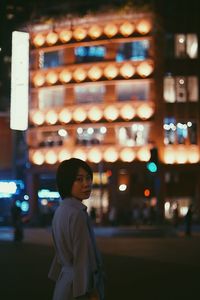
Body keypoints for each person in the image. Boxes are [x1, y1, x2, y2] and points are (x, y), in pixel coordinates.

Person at [48, 158, 105, 300]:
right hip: (78, 288)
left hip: (64, 283)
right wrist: (91, 292)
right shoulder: (77, 214)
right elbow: (82, 258)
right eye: (79, 179)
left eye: (88, 178)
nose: (87, 184)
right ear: (67, 182)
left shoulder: (61, 211)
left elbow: (60, 253)